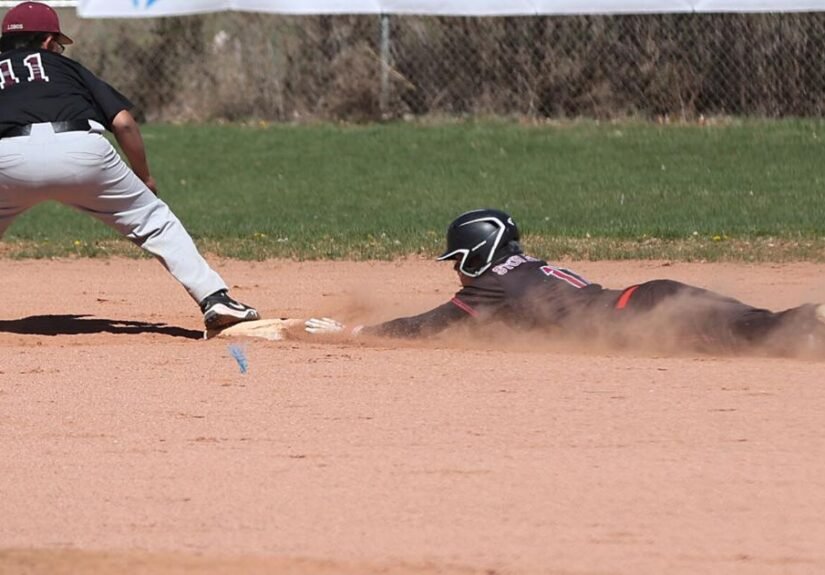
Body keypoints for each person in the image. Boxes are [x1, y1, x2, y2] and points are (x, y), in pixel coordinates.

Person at [0, 2, 259, 331]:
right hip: (81, 148)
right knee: (154, 221)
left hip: (7, 153)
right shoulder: (68, 68)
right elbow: (123, 122)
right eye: (59, 45)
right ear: (49, 41)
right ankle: (214, 298)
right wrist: (144, 177)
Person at [305, 208, 825, 357]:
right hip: (649, 297)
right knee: (754, 327)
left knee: (756, 335)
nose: (456, 270)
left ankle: (809, 327)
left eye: (458, 259)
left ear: (479, 251)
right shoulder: (525, 269)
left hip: (639, 316)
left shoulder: (489, 286)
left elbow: (427, 326)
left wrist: (354, 332)